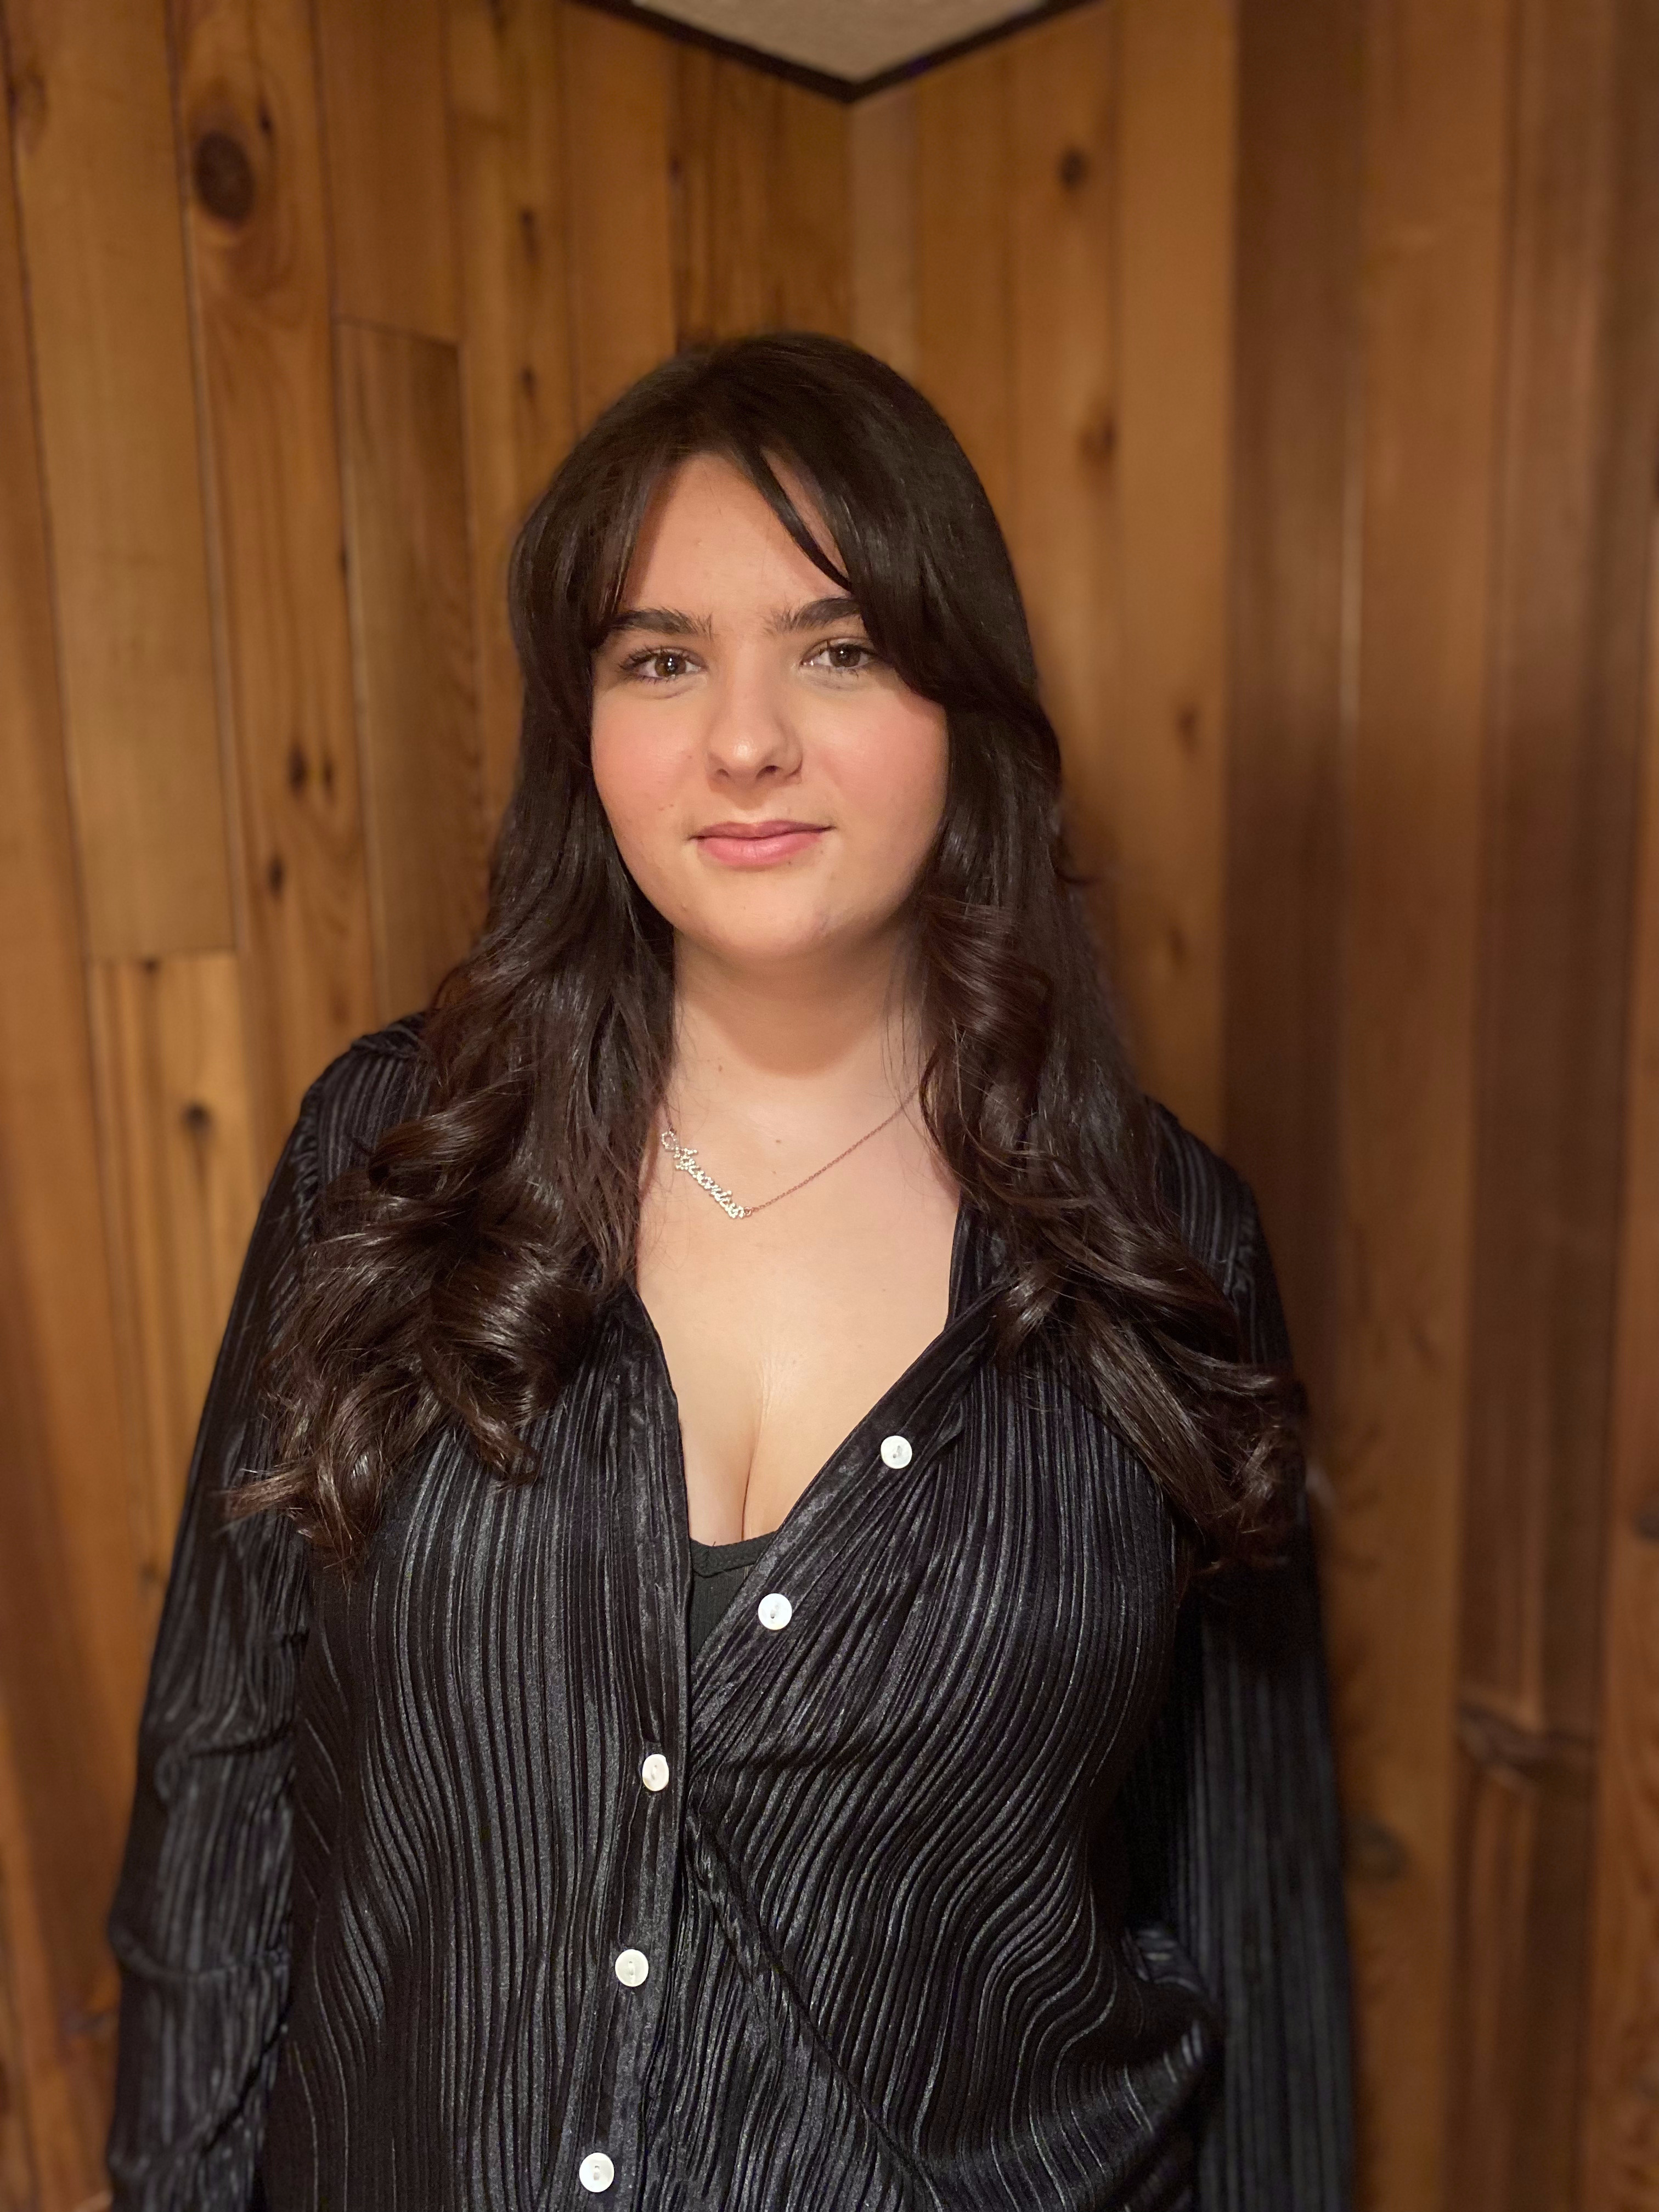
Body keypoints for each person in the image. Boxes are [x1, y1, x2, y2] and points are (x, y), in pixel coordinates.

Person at [104, 332, 1352, 2211]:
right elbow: (221, 1785)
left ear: (965, 699)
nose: (745, 737)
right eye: (661, 657)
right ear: (583, 724)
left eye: (838, 648)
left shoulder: (1165, 1245)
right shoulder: (393, 1158)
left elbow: (1248, 1918)